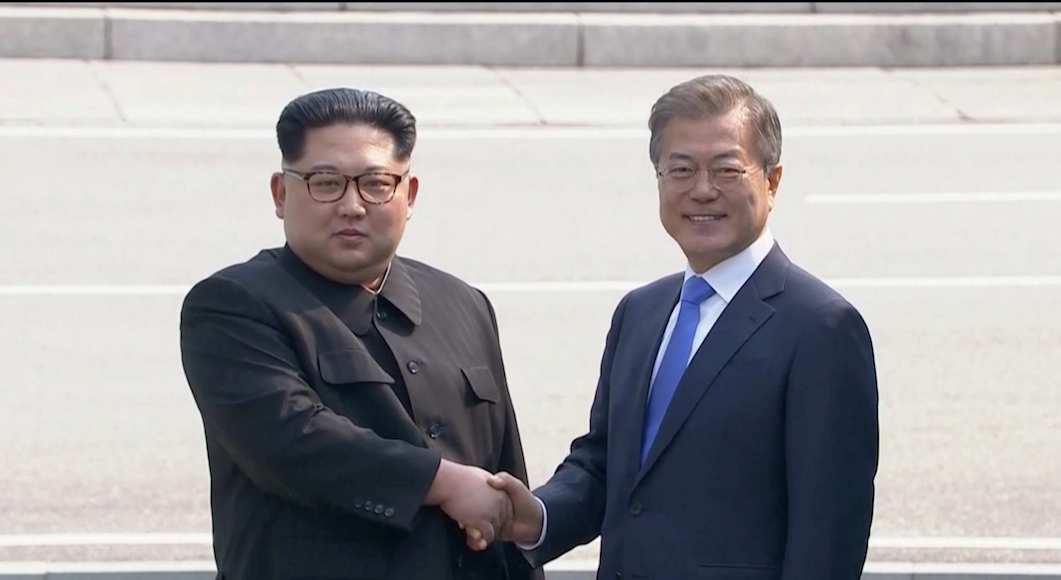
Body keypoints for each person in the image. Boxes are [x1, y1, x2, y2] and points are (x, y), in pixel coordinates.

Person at [475, 74, 881, 579]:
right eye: (681, 169)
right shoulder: (640, 313)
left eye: (727, 169)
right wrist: (536, 515)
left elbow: (827, 540)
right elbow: (606, 467)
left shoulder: (821, 328)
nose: (703, 190)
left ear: (772, 181)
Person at [179, 87, 543, 580]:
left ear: (408, 195)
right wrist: (442, 482)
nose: (352, 205)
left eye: (376, 184)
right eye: (326, 182)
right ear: (281, 194)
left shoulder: (463, 303)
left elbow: (504, 477)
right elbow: (294, 441)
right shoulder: (234, 305)